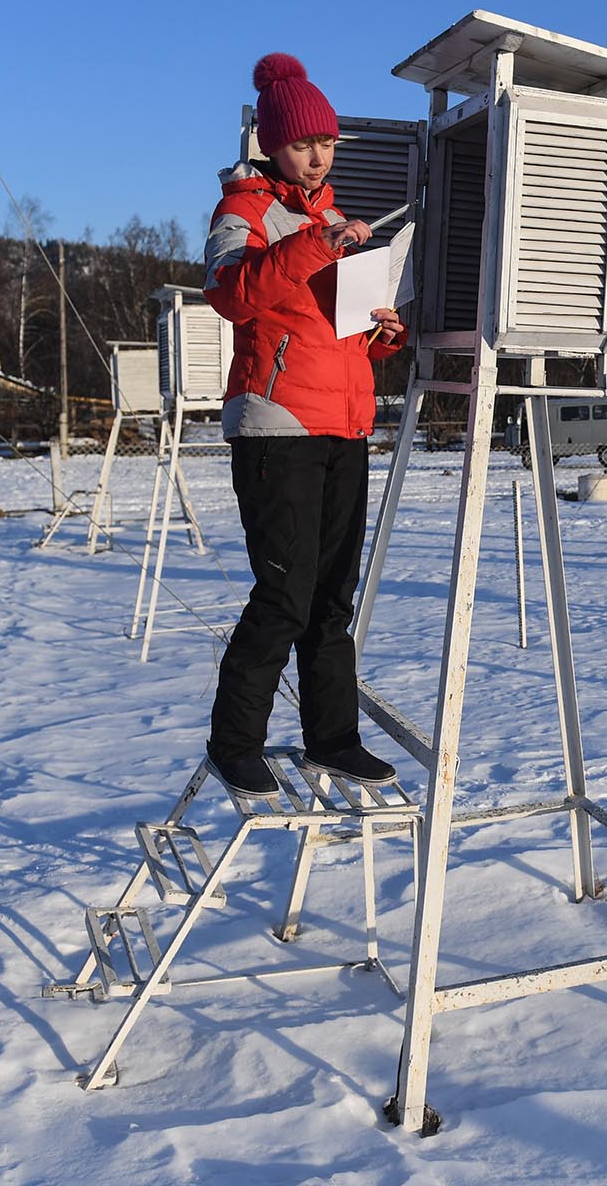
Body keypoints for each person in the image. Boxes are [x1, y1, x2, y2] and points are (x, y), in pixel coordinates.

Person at [199, 52, 407, 798]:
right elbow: (233, 296)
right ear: (272, 145)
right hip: (276, 424)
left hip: (344, 423)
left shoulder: (327, 215)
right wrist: (317, 243)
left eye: (326, 143)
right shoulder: (245, 211)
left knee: (331, 600)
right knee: (284, 595)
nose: (318, 156)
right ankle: (235, 743)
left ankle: (333, 739)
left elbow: (326, 323)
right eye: (302, 144)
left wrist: (379, 331)